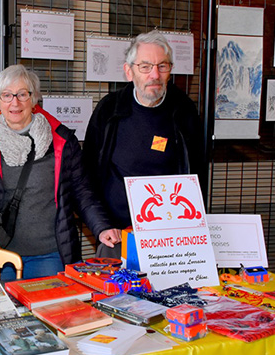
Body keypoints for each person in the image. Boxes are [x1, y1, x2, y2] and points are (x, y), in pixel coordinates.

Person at [0, 64, 120, 282]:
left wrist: (101, 227)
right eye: (7, 95)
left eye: (23, 94)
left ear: (34, 100)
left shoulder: (62, 140)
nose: (15, 102)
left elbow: (82, 192)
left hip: (50, 256)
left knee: (52, 313)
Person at [83, 30, 203, 258]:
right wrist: (101, 225)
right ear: (129, 72)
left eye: (162, 66)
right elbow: (86, 176)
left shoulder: (184, 112)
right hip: (117, 236)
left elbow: (197, 176)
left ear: (170, 71)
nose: (154, 75)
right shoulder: (109, 110)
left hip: (170, 238)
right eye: (145, 67)